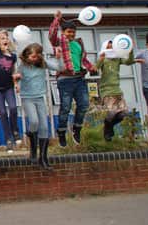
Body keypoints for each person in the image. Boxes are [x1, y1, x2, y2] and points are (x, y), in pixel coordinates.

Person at [48, 10, 97, 147]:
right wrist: (56, 20)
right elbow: (51, 35)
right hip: (65, 79)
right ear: (63, 32)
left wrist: (90, 66)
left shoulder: (78, 43)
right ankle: (62, 132)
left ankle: (77, 129)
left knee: (84, 104)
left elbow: (83, 59)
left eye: (73, 32)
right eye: (68, 32)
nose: (71, 34)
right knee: (65, 107)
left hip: (79, 78)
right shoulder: (59, 42)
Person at [16, 43, 63, 171]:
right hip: (27, 98)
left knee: (44, 127)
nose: (34, 59)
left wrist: (59, 57)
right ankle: (31, 138)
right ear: (26, 56)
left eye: (36, 57)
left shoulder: (43, 63)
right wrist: (17, 83)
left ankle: (43, 158)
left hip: (40, 98)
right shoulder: (23, 66)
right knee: (34, 121)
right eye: (32, 57)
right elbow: (17, 77)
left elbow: (60, 68)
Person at [0, 10, 20, 152]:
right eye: (2, 38)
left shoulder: (13, 56)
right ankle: (8, 140)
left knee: (13, 108)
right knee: (2, 112)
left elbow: (13, 72)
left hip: (8, 87)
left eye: (6, 37)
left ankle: (15, 131)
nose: (4, 40)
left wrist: (16, 83)